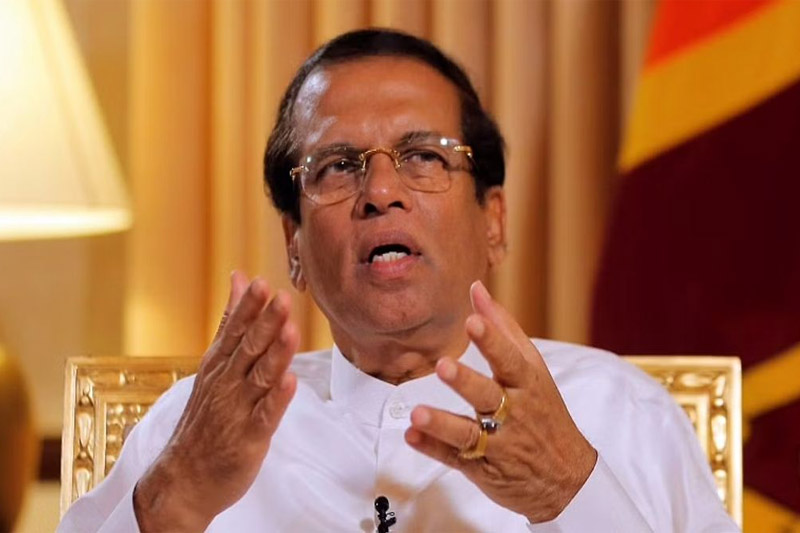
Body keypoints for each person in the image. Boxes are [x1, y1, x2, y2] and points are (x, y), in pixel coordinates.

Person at [58, 29, 739, 532]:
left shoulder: (619, 413)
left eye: (423, 157)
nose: (381, 191)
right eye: (337, 166)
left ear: (493, 219)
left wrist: (569, 491)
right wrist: (172, 498)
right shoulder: (196, 428)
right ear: (294, 243)